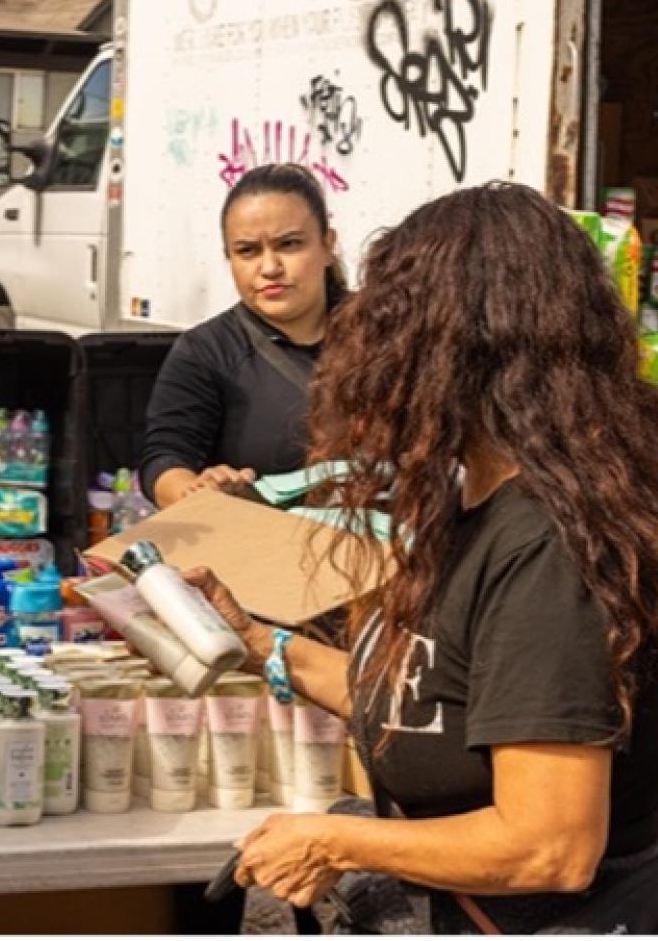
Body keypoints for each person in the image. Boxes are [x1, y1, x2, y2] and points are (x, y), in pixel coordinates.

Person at [186, 183, 658, 933]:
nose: (368, 343)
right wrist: (254, 644)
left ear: (452, 344)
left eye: (392, 318)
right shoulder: (469, 494)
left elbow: (550, 846)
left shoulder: (547, 543)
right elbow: (435, 698)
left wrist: (334, 839)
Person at [140, 164, 346, 509]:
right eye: (248, 251)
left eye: (290, 244)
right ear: (229, 258)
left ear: (327, 246)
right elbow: (164, 458)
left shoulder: (386, 334)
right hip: (262, 552)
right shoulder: (204, 351)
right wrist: (197, 491)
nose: (269, 268)